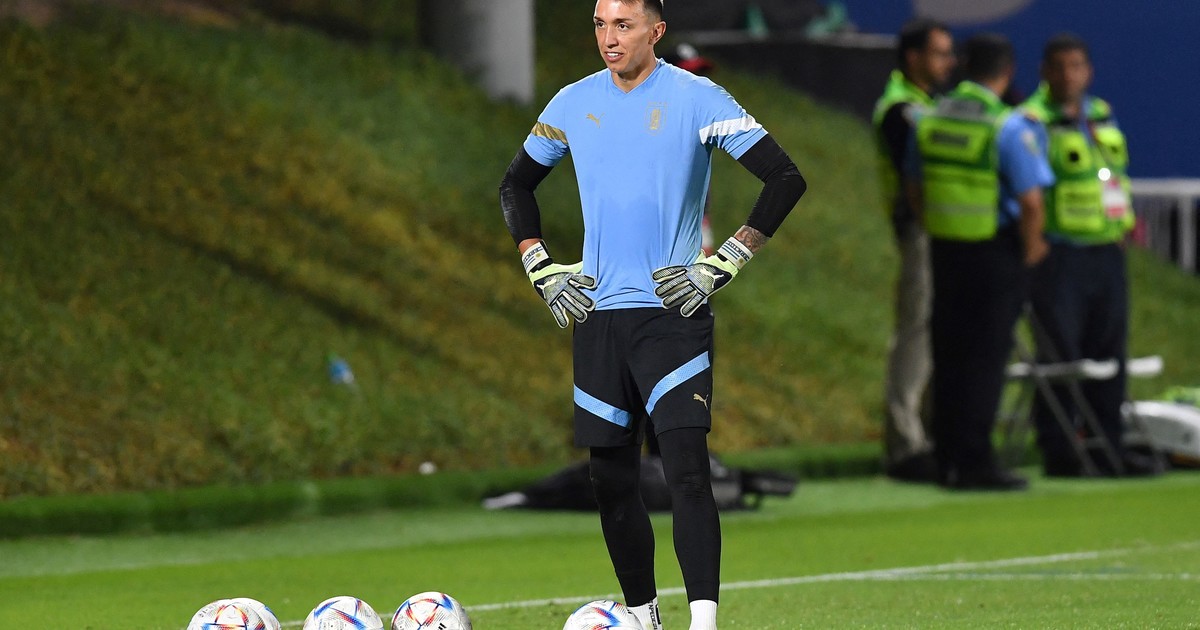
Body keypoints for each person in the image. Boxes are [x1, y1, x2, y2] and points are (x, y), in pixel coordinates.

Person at [498, 1, 807, 628]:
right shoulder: (572, 103)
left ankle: (703, 623)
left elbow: (783, 178)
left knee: (687, 471)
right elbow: (515, 185)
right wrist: (539, 263)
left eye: (624, 25)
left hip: (672, 314)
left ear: (656, 31)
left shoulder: (698, 98)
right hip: (597, 315)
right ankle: (643, 617)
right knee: (611, 481)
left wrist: (726, 261)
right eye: (600, 24)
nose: (609, 38)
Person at [907, 33, 1052, 491]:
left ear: (964, 67)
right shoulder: (1007, 126)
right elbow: (1032, 202)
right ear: (1008, 72)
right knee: (985, 359)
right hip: (993, 253)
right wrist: (1031, 251)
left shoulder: (930, 118)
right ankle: (975, 463)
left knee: (949, 354)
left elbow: (914, 185)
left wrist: (934, 223)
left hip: (945, 248)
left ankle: (946, 456)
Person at [1021, 34, 1157, 477]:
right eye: (1059, 67)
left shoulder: (1100, 115)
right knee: (1061, 354)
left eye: (1076, 66)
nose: (1068, 75)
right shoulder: (1032, 120)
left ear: (1089, 71)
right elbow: (1028, 184)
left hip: (1106, 250)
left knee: (1109, 351)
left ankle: (1107, 447)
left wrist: (1123, 224)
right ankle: (1060, 451)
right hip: (1060, 253)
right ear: (1044, 72)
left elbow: (1112, 175)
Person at [871, 18, 956, 483]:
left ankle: (931, 436)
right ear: (913, 57)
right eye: (939, 53)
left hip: (941, 231)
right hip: (921, 230)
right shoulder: (900, 109)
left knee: (934, 334)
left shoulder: (926, 104)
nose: (949, 62)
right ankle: (906, 444)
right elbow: (914, 179)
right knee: (916, 332)